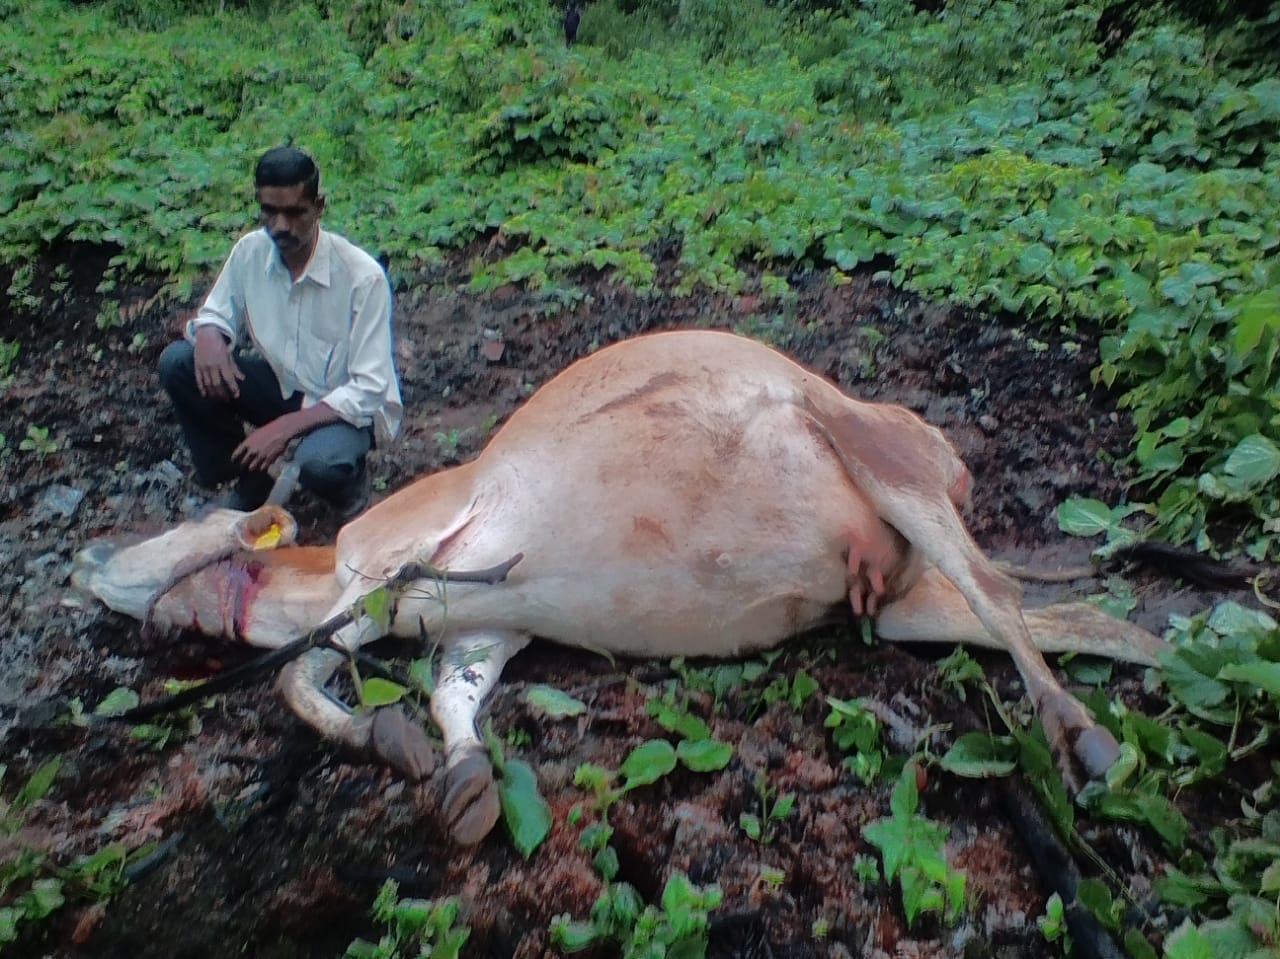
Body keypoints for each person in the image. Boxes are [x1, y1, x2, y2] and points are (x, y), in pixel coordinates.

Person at [158, 146, 402, 520]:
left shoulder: (361, 278)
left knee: (318, 464)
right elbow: (216, 312)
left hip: (342, 410)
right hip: (285, 387)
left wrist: (283, 429)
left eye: (294, 213)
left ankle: (347, 491)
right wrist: (209, 333)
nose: (280, 226)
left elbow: (369, 390)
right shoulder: (250, 253)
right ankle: (249, 478)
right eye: (269, 212)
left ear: (319, 207)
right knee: (179, 362)